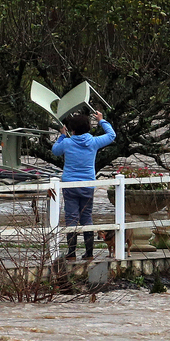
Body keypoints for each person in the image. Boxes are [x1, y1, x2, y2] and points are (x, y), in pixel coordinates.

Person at [52, 110, 116, 260]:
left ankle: (71, 253)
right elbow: (112, 135)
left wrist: (62, 135)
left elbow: (55, 151)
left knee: (71, 218)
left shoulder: (67, 143)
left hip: (70, 186)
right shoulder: (93, 142)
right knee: (87, 218)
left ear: (72, 130)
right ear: (88, 128)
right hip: (87, 185)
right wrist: (101, 120)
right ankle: (89, 253)